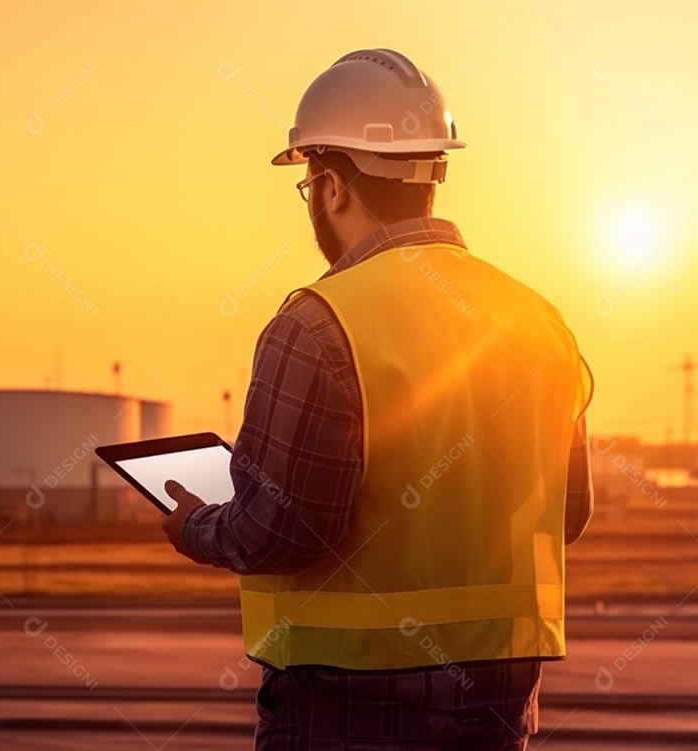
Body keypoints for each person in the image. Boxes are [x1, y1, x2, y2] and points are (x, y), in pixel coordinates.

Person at [160, 48, 594, 751]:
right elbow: (566, 513)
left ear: (331, 185)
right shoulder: (537, 319)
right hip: (501, 708)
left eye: (308, 186)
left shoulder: (317, 323)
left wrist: (196, 525)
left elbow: (282, 529)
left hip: (347, 706)